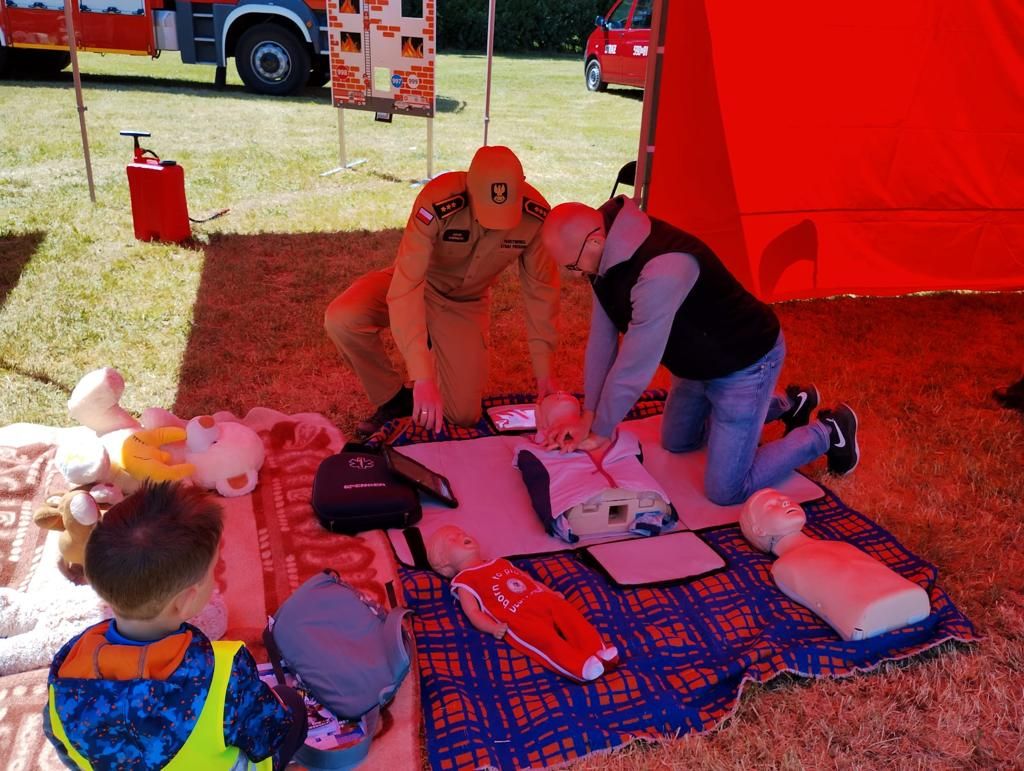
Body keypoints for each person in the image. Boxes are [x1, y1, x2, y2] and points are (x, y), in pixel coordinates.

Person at [539, 196, 860, 506]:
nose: (576, 274)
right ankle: (792, 403)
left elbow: (635, 363)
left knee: (726, 490)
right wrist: (589, 415)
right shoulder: (603, 250)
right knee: (678, 443)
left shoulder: (661, 269)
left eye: (572, 266)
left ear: (595, 241)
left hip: (743, 362)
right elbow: (602, 340)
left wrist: (601, 429)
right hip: (695, 365)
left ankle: (828, 432)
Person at [43, 481, 307, 770]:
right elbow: (267, 735)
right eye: (214, 570)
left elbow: (67, 751)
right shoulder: (225, 671)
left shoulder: (66, 670)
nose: (218, 577)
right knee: (290, 703)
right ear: (184, 601)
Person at [325, 145, 560, 437]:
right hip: (418, 282)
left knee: (462, 415)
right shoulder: (438, 200)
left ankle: (440, 350)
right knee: (343, 318)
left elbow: (541, 293)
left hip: (464, 303)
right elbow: (407, 285)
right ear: (470, 187)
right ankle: (393, 399)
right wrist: (422, 376)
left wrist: (544, 374)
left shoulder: (536, 216)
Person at [427, 525, 619, 682]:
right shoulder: (464, 581)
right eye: (452, 539)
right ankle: (579, 667)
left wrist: (550, 593)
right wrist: (492, 628)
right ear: (444, 563)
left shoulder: (500, 562)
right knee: (544, 640)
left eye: (462, 532)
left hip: (541, 598)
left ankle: (599, 651)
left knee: (571, 617)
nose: (461, 535)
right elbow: (473, 612)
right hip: (517, 616)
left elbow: (528, 580)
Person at [739, 488, 930, 640]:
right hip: (866, 614)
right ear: (759, 530)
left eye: (784, 499)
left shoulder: (838, 545)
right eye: (771, 505)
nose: (785, 502)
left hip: (906, 597)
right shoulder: (783, 567)